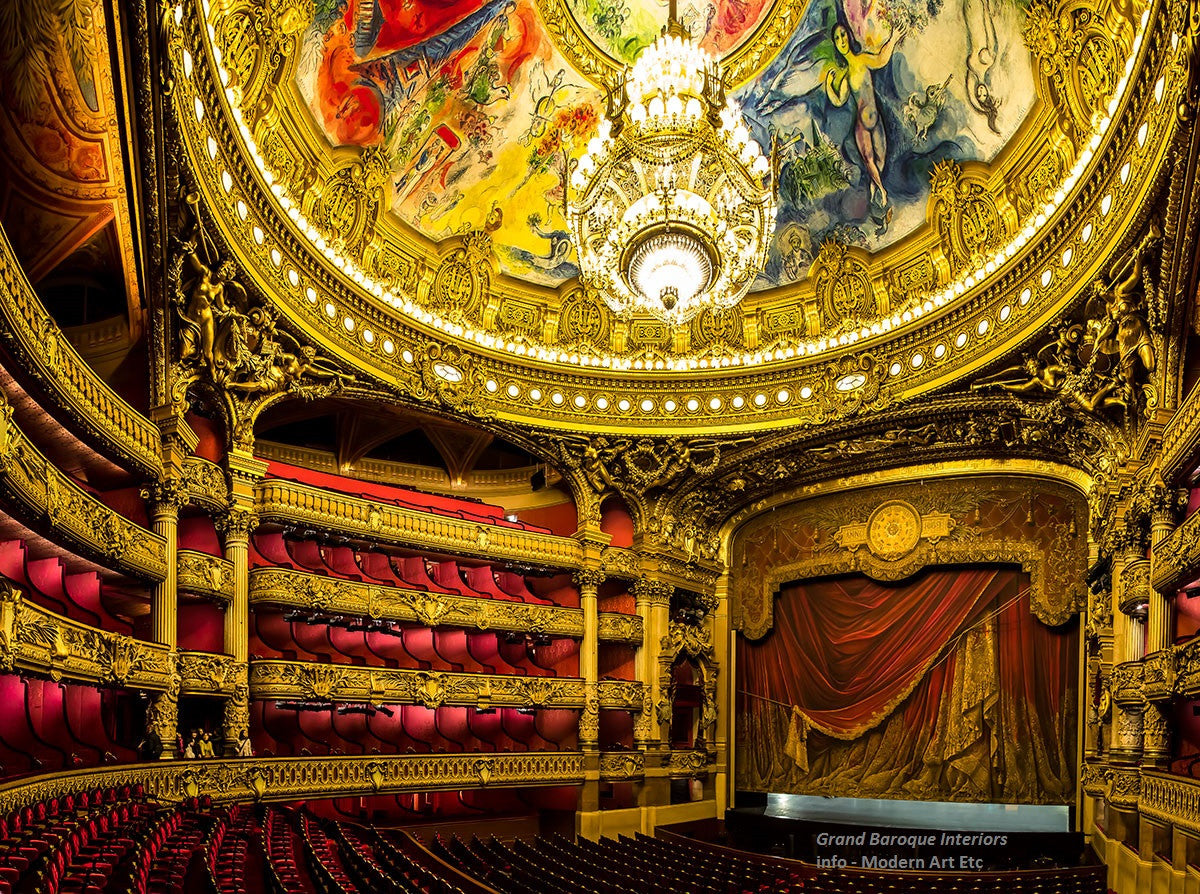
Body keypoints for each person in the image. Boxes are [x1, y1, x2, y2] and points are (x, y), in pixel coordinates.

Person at [823, 21, 906, 208]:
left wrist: (892, 39)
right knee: (869, 159)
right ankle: (882, 192)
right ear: (835, 45)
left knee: (881, 159)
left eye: (843, 35)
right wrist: (829, 85)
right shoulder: (844, 76)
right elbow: (838, 100)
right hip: (862, 125)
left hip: (876, 120)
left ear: (849, 37)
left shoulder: (862, 59)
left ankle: (873, 184)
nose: (841, 40)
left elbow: (881, 60)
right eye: (837, 38)